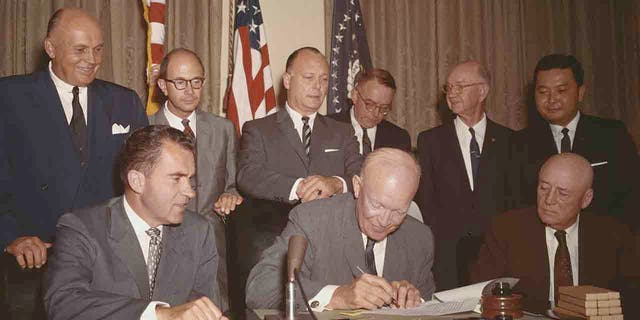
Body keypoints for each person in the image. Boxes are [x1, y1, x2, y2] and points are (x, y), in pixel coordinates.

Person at [0, 7, 148, 318]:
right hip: (35, 258)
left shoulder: (125, 101)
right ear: (50, 48)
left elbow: (144, 181)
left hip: (107, 261)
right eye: (80, 49)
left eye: (98, 49)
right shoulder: (9, 97)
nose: (92, 60)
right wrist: (10, 236)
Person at [45, 125, 227, 320]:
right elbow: (63, 304)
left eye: (189, 179)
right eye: (176, 179)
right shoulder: (82, 228)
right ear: (137, 181)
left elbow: (204, 305)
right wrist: (158, 314)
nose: (190, 192)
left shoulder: (199, 231)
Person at [230, 47, 362, 315]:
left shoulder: (343, 131)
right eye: (309, 77)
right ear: (288, 81)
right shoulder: (258, 129)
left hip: (332, 241)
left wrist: (337, 184)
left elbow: (362, 174)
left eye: (324, 79)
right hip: (275, 238)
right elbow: (248, 175)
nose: (318, 87)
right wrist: (298, 187)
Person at [246, 148, 435, 311]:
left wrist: (412, 300)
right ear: (358, 187)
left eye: (399, 211)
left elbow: (431, 307)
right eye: (377, 205)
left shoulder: (420, 238)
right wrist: (338, 296)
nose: (385, 221)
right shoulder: (311, 220)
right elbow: (259, 289)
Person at [471, 153, 640, 315]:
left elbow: (632, 300)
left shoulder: (613, 235)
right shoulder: (507, 229)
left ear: (586, 199)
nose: (549, 200)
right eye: (544, 188)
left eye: (563, 193)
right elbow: (480, 296)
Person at [149, 48, 241, 312]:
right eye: (180, 82)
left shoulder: (223, 129)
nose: (190, 90)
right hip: (165, 242)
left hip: (213, 245)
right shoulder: (144, 128)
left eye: (196, 81)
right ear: (163, 86)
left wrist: (230, 194)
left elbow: (233, 183)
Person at [415, 60, 513, 290]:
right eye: (449, 87)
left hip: (496, 254)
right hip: (447, 258)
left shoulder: (510, 140)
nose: (452, 93)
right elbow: (426, 201)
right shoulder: (430, 141)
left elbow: (514, 201)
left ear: (483, 91)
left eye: (460, 86)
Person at [513, 54, 639, 228]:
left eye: (561, 91)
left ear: (580, 93)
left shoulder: (612, 134)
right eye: (543, 92)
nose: (552, 99)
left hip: (604, 240)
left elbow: (632, 196)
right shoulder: (519, 143)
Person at [328, 68, 411, 154]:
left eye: (384, 108)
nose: (376, 114)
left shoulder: (399, 139)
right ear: (355, 96)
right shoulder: (327, 129)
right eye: (370, 104)